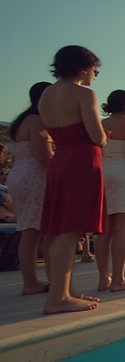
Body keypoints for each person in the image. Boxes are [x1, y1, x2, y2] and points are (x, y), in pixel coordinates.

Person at [37, 45, 106, 313]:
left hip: (61, 160)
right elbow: (97, 136)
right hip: (81, 160)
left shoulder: (46, 94)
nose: (95, 75)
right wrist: (105, 137)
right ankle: (57, 298)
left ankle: (63, 289)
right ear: (82, 68)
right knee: (71, 230)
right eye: (94, 69)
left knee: (56, 230)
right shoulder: (83, 94)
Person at [95, 90, 125, 291]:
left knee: (104, 230)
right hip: (123, 172)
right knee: (122, 228)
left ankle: (103, 279)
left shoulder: (100, 124)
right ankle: (119, 279)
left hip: (102, 172)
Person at [7, 81, 54, 295]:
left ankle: (31, 281)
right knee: (43, 231)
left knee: (29, 230)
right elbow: (44, 156)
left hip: (19, 173)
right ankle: (46, 282)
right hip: (35, 176)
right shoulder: (37, 121)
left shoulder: (22, 121)